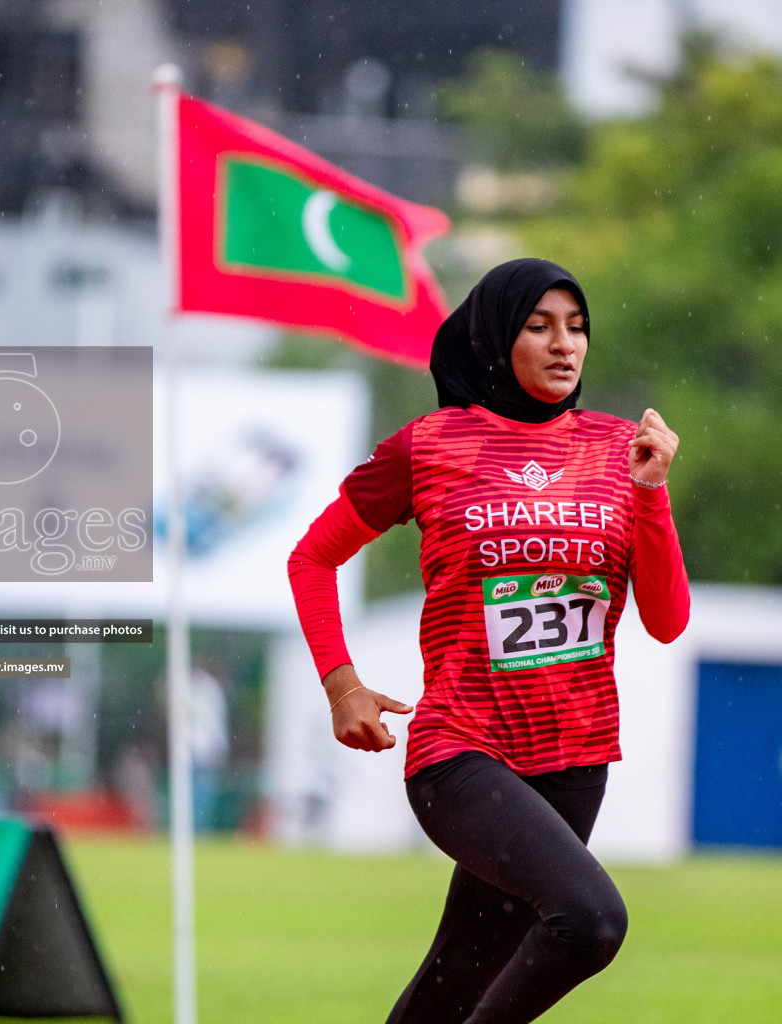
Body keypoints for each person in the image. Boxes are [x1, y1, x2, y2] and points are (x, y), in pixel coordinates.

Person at [286, 259, 690, 1024]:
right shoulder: (430, 447)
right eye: (538, 326)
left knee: (455, 979)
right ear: (497, 337)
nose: (563, 344)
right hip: (461, 750)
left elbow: (667, 621)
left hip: (576, 757)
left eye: (576, 327)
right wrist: (342, 682)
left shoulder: (619, 450)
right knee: (591, 921)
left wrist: (651, 494)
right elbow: (313, 557)